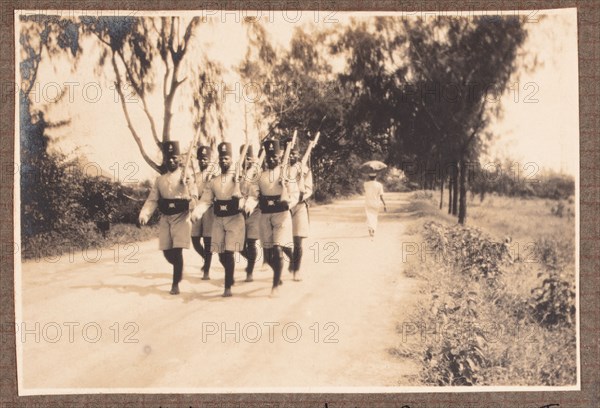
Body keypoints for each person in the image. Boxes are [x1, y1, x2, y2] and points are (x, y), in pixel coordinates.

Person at [139, 141, 197, 295]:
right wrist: (144, 214)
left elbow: (195, 197)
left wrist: (187, 187)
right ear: (165, 160)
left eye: (174, 158)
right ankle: (179, 268)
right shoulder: (160, 180)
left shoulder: (187, 176)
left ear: (180, 160)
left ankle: (175, 283)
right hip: (166, 217)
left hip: (181, 217)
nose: (171, 161)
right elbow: (152, 199)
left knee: (177, 251)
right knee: (166, 251)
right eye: (169, 158)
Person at [245, 139, 299, 297]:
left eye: (275, 156)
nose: (271, 160)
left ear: (280, 156)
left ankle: (275, 285)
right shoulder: (259, 176)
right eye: (269, 157)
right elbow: (253, 195)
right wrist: (248, 206)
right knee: (268, 256)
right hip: (265, 216)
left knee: (277, 248)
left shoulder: (286, 174)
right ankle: (281, 272)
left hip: (281, 215)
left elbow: (295, 194)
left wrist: (287, 198)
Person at [191, 142, 245, 297]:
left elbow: (250, 194)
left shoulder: (238, 178)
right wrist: (197, 212)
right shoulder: (213, 180)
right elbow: (206, 200)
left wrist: (243, 202)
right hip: (219, 219)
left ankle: (227, 287)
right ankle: (230, 274)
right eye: (221, 158)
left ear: (232, 159)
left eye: (226, 158)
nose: (224, 161)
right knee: (220, 254)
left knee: (228, 253)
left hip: (234, 219)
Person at [282, 145, 313, 281]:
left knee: (297, 240)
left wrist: (301, 196)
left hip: (299, 206)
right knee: (280, 240)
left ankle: (296, 270)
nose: (292, 156)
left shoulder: (304, 170)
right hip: (284, 207)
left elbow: (309, 189)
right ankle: (293, 260)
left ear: (299, 154)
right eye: (289, 154)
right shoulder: (282, 169)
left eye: (294, 154)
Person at [191, 145, 218, 280]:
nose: (203, 161)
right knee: (195, 239)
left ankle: (206, 269)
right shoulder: (194, 176)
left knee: (208, 240)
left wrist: (212, 180)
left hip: (209, 210)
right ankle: (206, 258)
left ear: (209, 160)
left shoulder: (214, 175)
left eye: (205, 159)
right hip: (197, 208)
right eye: (201, 159)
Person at [239, 144, 261, 282]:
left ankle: (250, 271)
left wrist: (250, 204)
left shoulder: (257, 173)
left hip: (254, 210)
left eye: (249, 158)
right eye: (244, 158)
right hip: (239, 211)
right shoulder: (237, 173)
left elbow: (257, 193)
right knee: (239, 245)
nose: (247, 161)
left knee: (251, 242)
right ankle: (251, 260)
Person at [364, 172, 387, 237]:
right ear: (376, 177)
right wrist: (384, 204)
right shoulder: (379, 185)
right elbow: (381, 196)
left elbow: (367, 188)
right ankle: (373, 230)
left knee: (369, 216)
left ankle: (369, 230)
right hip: (376, 203)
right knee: (374, 217)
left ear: (369, 177)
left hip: (368, 202)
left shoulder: (365, 184)